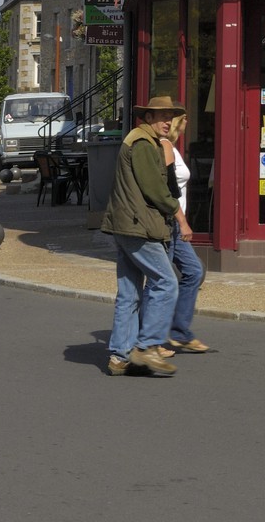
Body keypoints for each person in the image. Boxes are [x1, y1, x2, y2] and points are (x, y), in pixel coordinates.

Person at [100, 94, 185, 376]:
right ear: (148, 117)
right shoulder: (143, 143)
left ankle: (119, 356)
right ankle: (146, 346)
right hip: (139, 226)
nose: (167, 121)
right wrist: (180, 216)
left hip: (127, 224)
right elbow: (155, 190)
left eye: (170, 116)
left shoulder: (140, 140)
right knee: (167, 282)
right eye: (161, 116)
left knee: (129, 292)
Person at [161, 114, 209, 353]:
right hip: (169, 223)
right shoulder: (163, 146)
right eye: (184, 119)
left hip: (177, 224)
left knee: (193, 271)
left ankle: (179, 331)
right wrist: (182, 220)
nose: (188, 123)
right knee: (163, 281)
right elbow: (167, 190)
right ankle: (153, 337)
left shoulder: (173, 148)